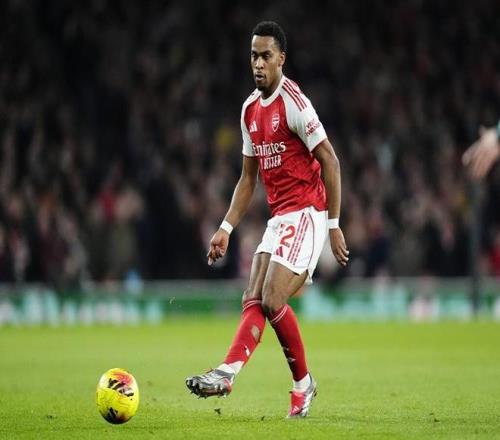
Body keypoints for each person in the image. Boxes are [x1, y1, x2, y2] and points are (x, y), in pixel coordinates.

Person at [186, 21, 349, 418]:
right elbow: (248, 179)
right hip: (279, 217)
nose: (258, 64)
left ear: (281, 59)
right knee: (253, 297)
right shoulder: (249, 111)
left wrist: (333, 225)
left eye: (266, 56)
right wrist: (225, 228)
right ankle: (231, 373)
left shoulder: (295, 103)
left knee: (273, 298)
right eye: (253, 56)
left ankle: (294, 383)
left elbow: (330, 160)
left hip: (308, 212)